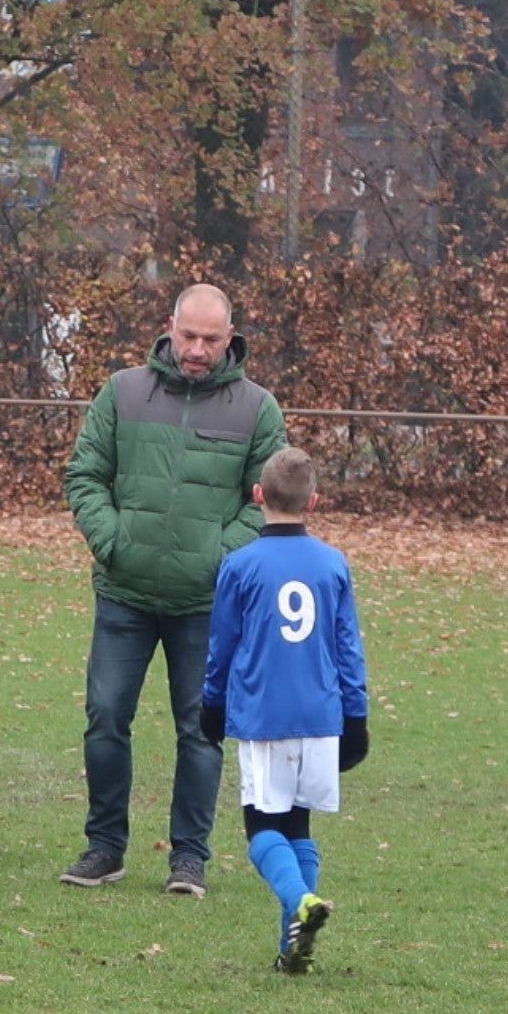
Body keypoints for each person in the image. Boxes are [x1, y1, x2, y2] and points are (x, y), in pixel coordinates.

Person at [60, 283, 286, 897]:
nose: (198, 349)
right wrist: (112, 540)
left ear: (230, 337)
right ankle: (105, 847)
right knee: (106, 718)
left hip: (207, 604)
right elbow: (85, 474)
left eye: (211, 339)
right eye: (189, 335)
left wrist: (218, 558)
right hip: (124, 592)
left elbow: (267, 503)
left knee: (200, 729)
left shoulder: (258, 409)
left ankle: (189, 858)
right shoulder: (122, 391)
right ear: (170, 326)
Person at [199, 448, 368, 973]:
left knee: (261, 830)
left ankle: (302, 901)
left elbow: (221, 646)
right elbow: (348, 647)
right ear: (312, 502)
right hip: (320, 715)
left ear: (257, 496)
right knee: (298, 826)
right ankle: (292, 952)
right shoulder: (332, 562)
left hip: (262, 715)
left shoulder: (240, 564)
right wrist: (357, 717)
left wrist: (211, 703)